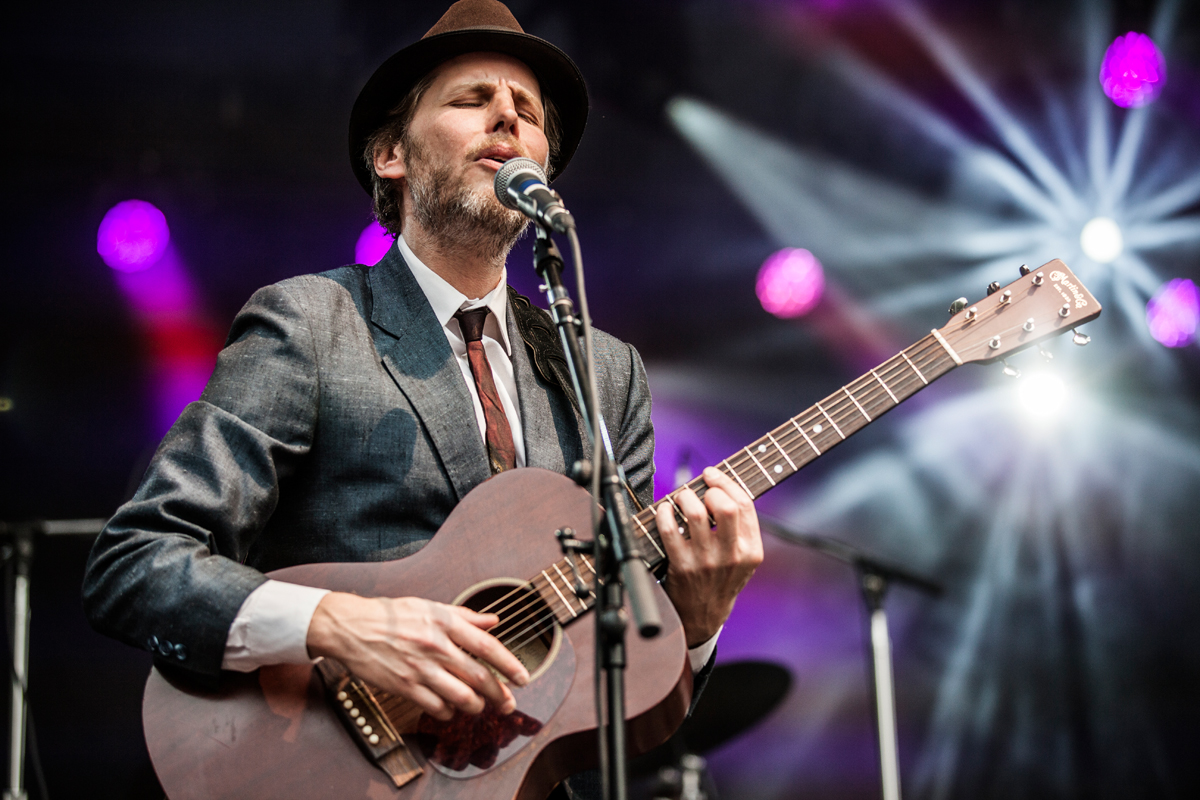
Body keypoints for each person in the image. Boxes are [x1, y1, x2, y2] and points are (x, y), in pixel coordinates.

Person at [82, 0, 763, 796]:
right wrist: (338, 625)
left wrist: (697, 627)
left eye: (529, 113)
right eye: (473, 99)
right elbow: (137, 565)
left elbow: (612, 710)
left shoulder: (606, 373)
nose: (508, 116)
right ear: (390, 154)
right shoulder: (315, 322)